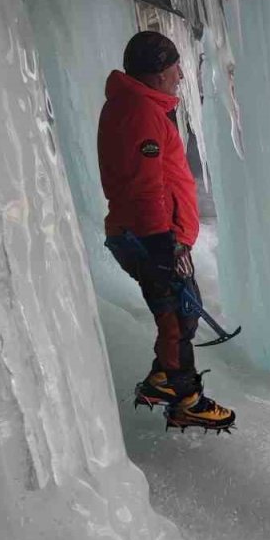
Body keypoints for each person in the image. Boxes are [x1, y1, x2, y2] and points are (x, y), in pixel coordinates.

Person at [97, 31, 234, 431]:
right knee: (177, 313)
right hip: (150, 236)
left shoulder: (139, 107)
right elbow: (146, 186)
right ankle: (185, 398)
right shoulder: (140, 112)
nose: (180, 76)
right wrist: (162, 244)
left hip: (148, 234)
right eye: (176, 67)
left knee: (178, 311)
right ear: (158, 72)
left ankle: (163, 380)